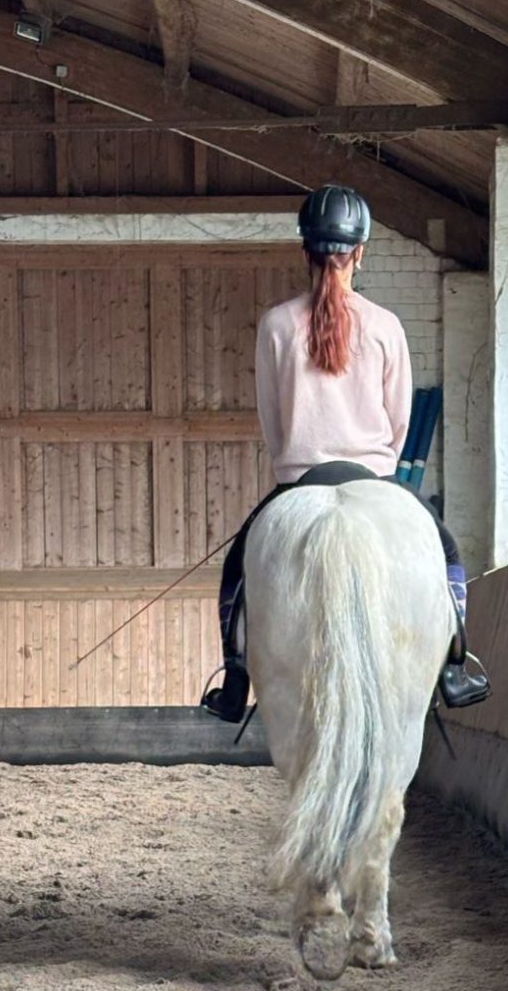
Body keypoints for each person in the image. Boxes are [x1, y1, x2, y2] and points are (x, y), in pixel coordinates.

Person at [202, 185, 490, 723]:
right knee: (447, 554)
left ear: (305, 251)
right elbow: (400, 416)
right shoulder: (385, 326)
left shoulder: (275, 325)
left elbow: (270, 415)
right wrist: (381, 464)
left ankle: (235, 676)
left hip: (300, 479)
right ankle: (456, 663)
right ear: (361, 251)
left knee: (238, 568)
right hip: (374, 476)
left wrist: (292, 462)